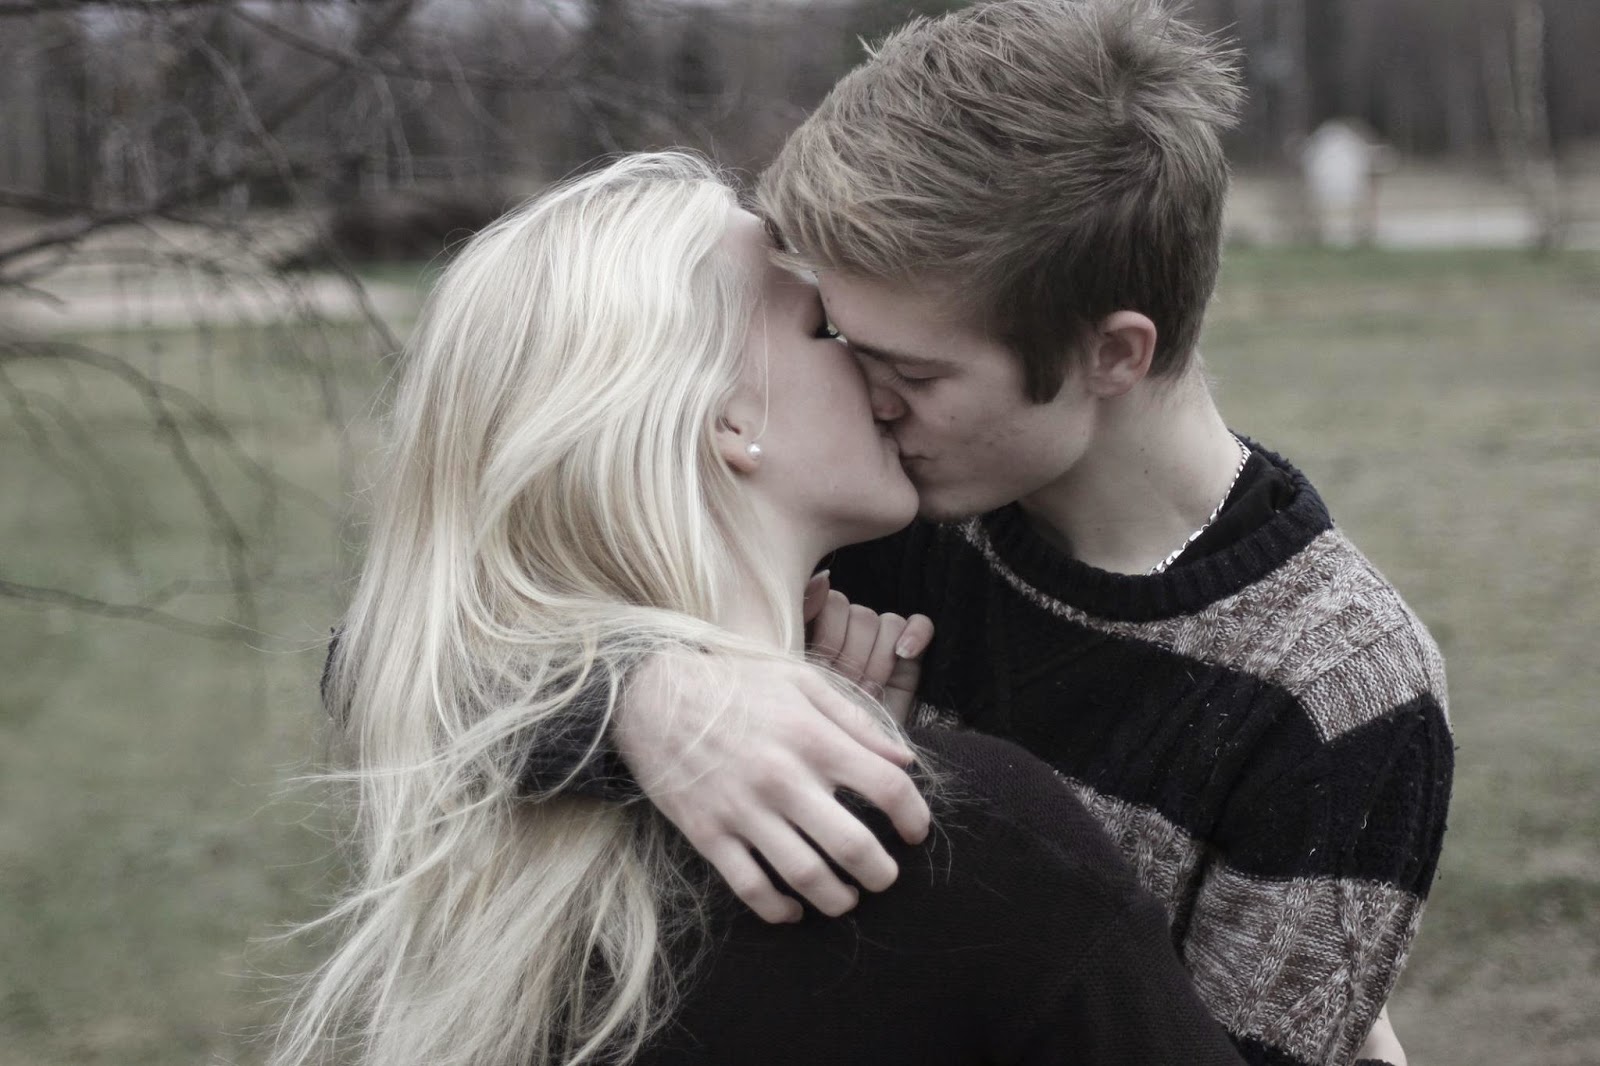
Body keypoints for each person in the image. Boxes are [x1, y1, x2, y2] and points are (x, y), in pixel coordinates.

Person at [526, 5, 1452, 1066]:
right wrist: (645, 701)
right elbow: (415, 670)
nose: (866, 400)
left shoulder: (1340, 695)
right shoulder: (863, 503)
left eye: (914, 373)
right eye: (840, 335)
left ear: (1113, 354)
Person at [283, 153, 1253, 1066]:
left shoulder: (493, 838)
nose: (876, 371)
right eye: (822, 329)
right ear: (729, 419)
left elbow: (395, 656)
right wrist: (645, 698)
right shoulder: (978, 850)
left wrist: (632, 694)